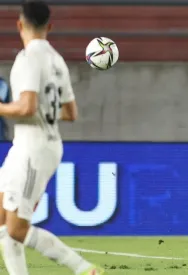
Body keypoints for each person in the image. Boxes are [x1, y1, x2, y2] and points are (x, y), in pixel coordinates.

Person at [0, 1, 104, 274]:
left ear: (20, 25)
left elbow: (26, 107)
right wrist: (44, 111)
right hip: (30, 145)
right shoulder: (56, 60)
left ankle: (84, 269)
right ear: (50, 26)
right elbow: (70, 112)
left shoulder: (27, 58)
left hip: (33, 149)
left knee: (16, 229)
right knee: (2, 221)